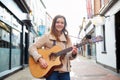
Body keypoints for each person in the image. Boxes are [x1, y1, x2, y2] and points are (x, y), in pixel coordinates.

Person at [28, 15, 78, 80]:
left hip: (65, 72)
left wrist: (73, 53)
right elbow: (32, 47)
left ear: (64, 25)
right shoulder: (47, 36)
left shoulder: (67, 39)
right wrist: (39, 58)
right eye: (57, 22)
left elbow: (69, 56)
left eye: (62, 23)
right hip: (51, 72)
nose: (59, 24)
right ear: (54, 23)